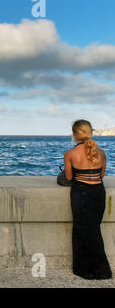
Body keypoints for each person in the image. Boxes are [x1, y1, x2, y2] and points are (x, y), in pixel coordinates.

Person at [64, 119, 112, 280]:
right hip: (98, 193)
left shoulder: (70, 154)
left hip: (81, 194)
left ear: (74, 134)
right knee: (94, 229)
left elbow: (70, 177)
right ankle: (100, 270)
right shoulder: (102, 153)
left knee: (81, 230)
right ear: (90, 132)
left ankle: (85, 269)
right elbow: (101, 175)